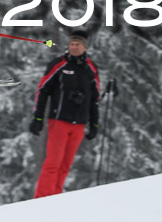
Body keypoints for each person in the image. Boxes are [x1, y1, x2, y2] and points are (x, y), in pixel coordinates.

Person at [29, 30, 101, 198]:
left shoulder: (91, 68)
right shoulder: (59, 64)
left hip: (79, 124)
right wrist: (37, 118)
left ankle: (56, 199)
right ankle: (42, 199)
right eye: (71, 44)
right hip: (59, 121)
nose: (74, 47)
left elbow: (94, 98)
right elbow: (43, 90)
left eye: (77, 44)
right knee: (53, 163)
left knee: (65, 165)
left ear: (85, 47)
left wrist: (94, 124)